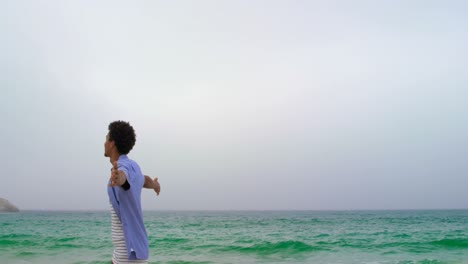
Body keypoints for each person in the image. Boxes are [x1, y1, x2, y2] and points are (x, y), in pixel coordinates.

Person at [104, 120, 160, 263]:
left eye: (106, 139)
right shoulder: (133, 166)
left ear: (112, 143)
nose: (104, 143)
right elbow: (143, 179)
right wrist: (154, 185)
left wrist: (119, 178)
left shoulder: (123, 168)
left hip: (127, 255)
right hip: (132, 250)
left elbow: (125, 178)